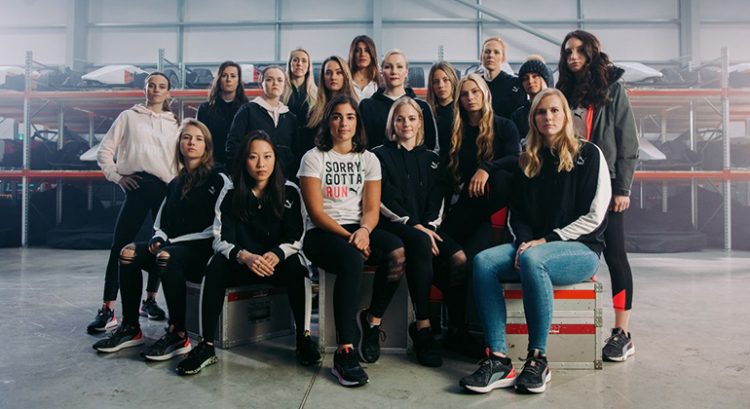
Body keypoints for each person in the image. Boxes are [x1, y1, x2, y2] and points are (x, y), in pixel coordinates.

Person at [459, 88, 611, 394]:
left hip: (581, 250)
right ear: (533, 119)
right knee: (484, 262)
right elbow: (518, 215)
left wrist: (546, 240)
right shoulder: (528, 160)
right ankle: (499, 359)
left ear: (566, 115)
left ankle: (537, 358)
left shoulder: (590, 154)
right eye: (541, 112)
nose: (548, 117)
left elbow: (594, 216)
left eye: (554, 110)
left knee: (532, 259)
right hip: (536, 248)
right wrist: (526, 240)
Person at [176, 130, 321, 375]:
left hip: (275, 265)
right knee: (215, 265)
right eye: (253, 157)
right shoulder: (231, 192)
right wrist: (245, 256)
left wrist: (277, 254)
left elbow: (297, 235)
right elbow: (220, 239)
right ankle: (206, 346)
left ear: (275, 158)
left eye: (267, 156)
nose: (261, 164)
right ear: (244, 160)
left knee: (298, 265)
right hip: (243, 264)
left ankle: (303, 339)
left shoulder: (290, 191)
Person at [93, 119, 227, 361]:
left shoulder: (219, 180)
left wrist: (171, 243)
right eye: (186, 137)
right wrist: (159, 238)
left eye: (198, 139)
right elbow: (162, 223)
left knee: (166, 256)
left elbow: (220, 225)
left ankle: (179, 334)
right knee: (128, 252)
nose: (192, 142)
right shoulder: (175, 182)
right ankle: (131, 328)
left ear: (207, 147)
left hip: (202, 251)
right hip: (174, 248)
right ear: (179, 144)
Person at [298, 95, 405, 387]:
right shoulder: (313, 157)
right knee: (351, 258)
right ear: (328, 122)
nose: (343, 123)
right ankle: (344, 352)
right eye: (336, 117)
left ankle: (371, 320)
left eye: (349, 117)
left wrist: (365, 231)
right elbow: (316, 213)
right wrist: (351, 237)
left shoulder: (368, 159)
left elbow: (371, 209)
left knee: (397, 252)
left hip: (359, 229)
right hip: (322, 233)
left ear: (357, 123)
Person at [557, 29, 639, 362]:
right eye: (567, 52)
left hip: (608, 183)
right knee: (574, 250)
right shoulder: (563, 91)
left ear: (592, 53)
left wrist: (622, 189)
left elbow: (628, 141)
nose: (573, 57)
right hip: (573, 184)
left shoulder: (612, 89)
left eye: (579, 50)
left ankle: (622, 333)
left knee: (615, 255)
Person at [372, 97, 468, 368]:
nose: (406, 124)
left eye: (412, 118)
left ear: (420, 123)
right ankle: (423, 326)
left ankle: (456, 330)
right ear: (392, 123)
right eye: (400, 119)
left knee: (459, 258)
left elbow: (438, 199)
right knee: (420, 243)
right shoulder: (378, 155)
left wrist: (429, 227)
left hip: (427, 228)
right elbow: (382, 198)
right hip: (393, 225)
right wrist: (414, 225)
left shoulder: (432, 159)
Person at [89, 72, 178, 334]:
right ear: (144, 89)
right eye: (151, 85)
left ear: (168, 92)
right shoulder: (128, 116)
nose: (156, 90)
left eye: (161, 86)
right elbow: (104, 151)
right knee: (120, 246)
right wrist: (117, 176)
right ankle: (107, 309)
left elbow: (178, 160)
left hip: (165, 189)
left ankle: (150, 300)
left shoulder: (174, 123)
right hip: (137, 186)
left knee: (160, 245)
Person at [441, 73, 520, 259]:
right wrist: (443, 210)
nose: (470, 97)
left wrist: (486, 168)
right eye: (464, 94)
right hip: (468, 200)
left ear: (485, 93)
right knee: (442, 246)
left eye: (475, 91)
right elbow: (447, 172)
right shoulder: (455, 130)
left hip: (496, 204)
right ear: (459, 100)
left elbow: (515, 159)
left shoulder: (505, 125)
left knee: (473, 258)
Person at [226, 65, 299, 180]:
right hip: (252, 179)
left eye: (280, 80)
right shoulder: (247, 111)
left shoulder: (290, 117)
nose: (275, 83)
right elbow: (233, 146)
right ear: (261, 83)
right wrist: (239, 176)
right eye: (269, 79)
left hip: (284, 180)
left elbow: (295, 151)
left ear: (285, 85)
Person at [359, 49, 438, 150]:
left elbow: (430, 144)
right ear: (381, 71)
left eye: (399, 66)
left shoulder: (422, 106)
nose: (394, 71)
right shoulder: (367, 107)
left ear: (406, 71)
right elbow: (361, 143)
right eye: (388, 67)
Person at [301, 55, 358, 156]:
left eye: (338, 72)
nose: (333, 77)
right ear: (323, 77)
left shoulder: (356, 108)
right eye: (328, 73)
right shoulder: (314, 111)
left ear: (345, 76)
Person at [196, 60, 249, 169]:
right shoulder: (205, 109)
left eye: (233, 76)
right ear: (218, 79)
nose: (229, 79)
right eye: (224, 75)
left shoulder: (247, 109)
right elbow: (200, 140)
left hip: (239, 165)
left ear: (238, 80)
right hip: (211, 165)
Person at [480, 37, 526, 119]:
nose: (491, 55)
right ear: (481, 56)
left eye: (496, 52)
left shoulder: (515, 84)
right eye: (487, 51)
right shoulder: (476, 85)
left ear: (503, 58)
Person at [510, 55, 554, 141]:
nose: (530, 81)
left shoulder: (557, 109)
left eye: (535, 76)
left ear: (544, 79)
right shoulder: (518, 115)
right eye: (525, 78)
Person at [426, 61, 459, 162]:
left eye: (445, 80)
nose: (441, 85)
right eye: (436, 81)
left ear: (453, 81)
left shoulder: (462, 110)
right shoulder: (427, 111)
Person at [282, 48, 317, 131]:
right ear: (289, 64)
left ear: (309, 66)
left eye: (304, 61)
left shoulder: (316, 93)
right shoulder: (281, 91)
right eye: (295, 60)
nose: (299, 64)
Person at [348, 35, 380, 99]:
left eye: (367, 50)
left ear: (372, 54)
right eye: (357, 50)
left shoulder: (379, 81)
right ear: (353, 54)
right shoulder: (346, 80)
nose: (362, 54)